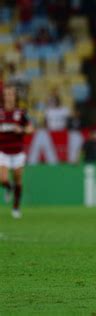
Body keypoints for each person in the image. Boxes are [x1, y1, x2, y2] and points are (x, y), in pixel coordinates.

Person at [0, 84, 34, 218]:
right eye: (6, 94)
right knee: (2, 179)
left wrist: (23, 130)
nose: (9, 97)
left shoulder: (20, 113)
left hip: (17, 151)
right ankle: (8, 187)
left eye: (11, 94)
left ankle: (16, 207)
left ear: (15, 97)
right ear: (3, 96)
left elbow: (31, 128)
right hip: (2, 150)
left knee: (18, 179)